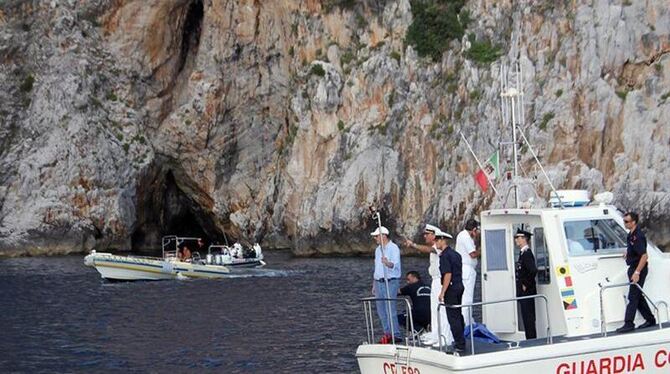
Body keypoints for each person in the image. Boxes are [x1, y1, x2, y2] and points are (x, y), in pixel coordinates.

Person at [405, 224, 452, 347]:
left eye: (427, 234)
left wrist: (413, 245)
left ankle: (445, 337)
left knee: (441, 309)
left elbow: (428, 250)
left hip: (440, 280)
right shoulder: (434, 247)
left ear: (433, 235)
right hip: (435, 280)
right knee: (434, 309)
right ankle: (436, 334)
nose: (425, 236)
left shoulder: (438, 247)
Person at [616, 212, 656, 333]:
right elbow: (634, 249)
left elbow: (644, 256)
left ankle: (629, 323)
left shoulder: (637, 236)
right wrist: (628, 254)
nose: (625, 223)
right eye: (624, 221)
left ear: (634, 222)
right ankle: (650, 319)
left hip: (638, 269)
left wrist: (637, 272)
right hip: (633, 267)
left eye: (627, 221)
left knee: (633, 297)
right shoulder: (631, 235)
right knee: (637, 296)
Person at [371, 226, 402, 343]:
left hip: (390, 281)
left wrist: (387, 263)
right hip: (379, 281)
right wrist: (374, 284)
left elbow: (395, 265)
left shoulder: (393, 248)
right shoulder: (378, 249)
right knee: (381, 310)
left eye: (377, 236)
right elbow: (376, 268)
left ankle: (396, 334)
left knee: (390, 308)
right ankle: (387, 332)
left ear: (383, 236)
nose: (375, 238)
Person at [437, 229, 466, 353]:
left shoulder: (445, 256)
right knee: (458, 315)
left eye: (437, 240)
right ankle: (461, 339)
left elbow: (447, 274)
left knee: (453, 317)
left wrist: (442, 292)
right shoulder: (456, 254)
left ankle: (460, 343)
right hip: (459, 286)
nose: (436, 243)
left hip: (451, 289)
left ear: (443, 240)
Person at [455, 218, 480, 324]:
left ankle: (468, 321)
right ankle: (466, 323)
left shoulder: (463, 235)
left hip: (463, 269)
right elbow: (473, 254)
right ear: (474, 229)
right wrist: (483, 249)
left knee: (464, 298)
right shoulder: (465, 237)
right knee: (467, 299)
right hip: (467, 270)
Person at [515, 228, 537, 340]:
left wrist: (526, 284)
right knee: (526, 316)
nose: (516, 240)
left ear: (524, 239)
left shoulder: (527, 254)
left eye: (518, 238)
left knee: (529, 317)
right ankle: (529, 338)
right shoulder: (522, 253)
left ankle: (532, 340)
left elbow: (533, 270)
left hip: (527, 291)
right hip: (523, 292)